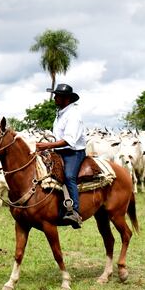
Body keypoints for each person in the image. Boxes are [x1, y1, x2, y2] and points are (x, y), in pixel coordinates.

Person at [35, 83, 86, 229]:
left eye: (58, 96)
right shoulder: (61, 113)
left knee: (69, 176)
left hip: (73, 152)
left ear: (67, 99)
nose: (55, 98)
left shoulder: (74, 114)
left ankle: (75, 211)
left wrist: (46, 146)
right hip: (59, 150)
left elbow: (69, 140)